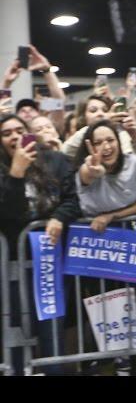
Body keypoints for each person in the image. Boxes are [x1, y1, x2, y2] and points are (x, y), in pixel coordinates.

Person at [0, 113, 81, 375]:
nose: (14, 136)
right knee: (14, 327)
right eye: (6, 133)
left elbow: (73, 200)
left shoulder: (55, 161)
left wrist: (59, 217)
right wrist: (16, 173)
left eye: (19, 130)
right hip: (12, 263)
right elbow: (7, 214)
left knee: (51, 327)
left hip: (48, 260)